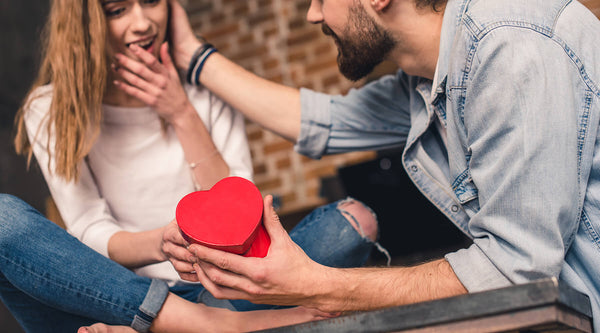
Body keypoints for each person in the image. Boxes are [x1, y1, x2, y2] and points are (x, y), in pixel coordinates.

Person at [112, 0, 600, 330]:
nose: (312, 14)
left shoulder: (508, 49)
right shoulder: (428, 77)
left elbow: (516, 273)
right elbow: (323, 122)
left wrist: (315, 286)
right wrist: (192, 57)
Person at [0, 0, 379, 331]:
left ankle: (179, 324)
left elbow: (240, 211)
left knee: (352, 222)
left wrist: (181, 112)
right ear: (84, 23)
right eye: (117, 10)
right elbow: (88, 229)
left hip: (228, 285)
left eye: (151, 1)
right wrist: (163, 244)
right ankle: (188, 321)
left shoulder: (209, 87)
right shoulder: (49, 108)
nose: (143, 22)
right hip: (118, 297)